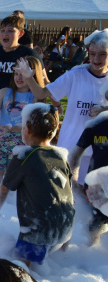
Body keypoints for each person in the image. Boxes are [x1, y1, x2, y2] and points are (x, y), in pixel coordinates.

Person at [0, 103, 74, 267]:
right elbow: (68, 192)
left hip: (38, 230)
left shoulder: (24, 155)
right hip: (65, 227)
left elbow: (2, 192)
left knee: (20, 270)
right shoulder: (61, 156)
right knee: (55, 269)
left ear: (27, 128)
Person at [15, 29, 108, 185]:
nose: (96, 59)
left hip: (101, 148)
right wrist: (29, 78)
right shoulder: (76, 75)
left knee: (95, 195)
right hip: (72, 144)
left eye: (102, 54)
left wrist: (104, 111)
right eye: (92, 54)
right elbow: (41, 92)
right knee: (69, 192)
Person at [68, 83, 108, 246]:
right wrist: (73, 181)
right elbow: (75, 154)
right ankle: (92, 259)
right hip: (96, 188)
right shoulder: (96, 125)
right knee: (94, 233)